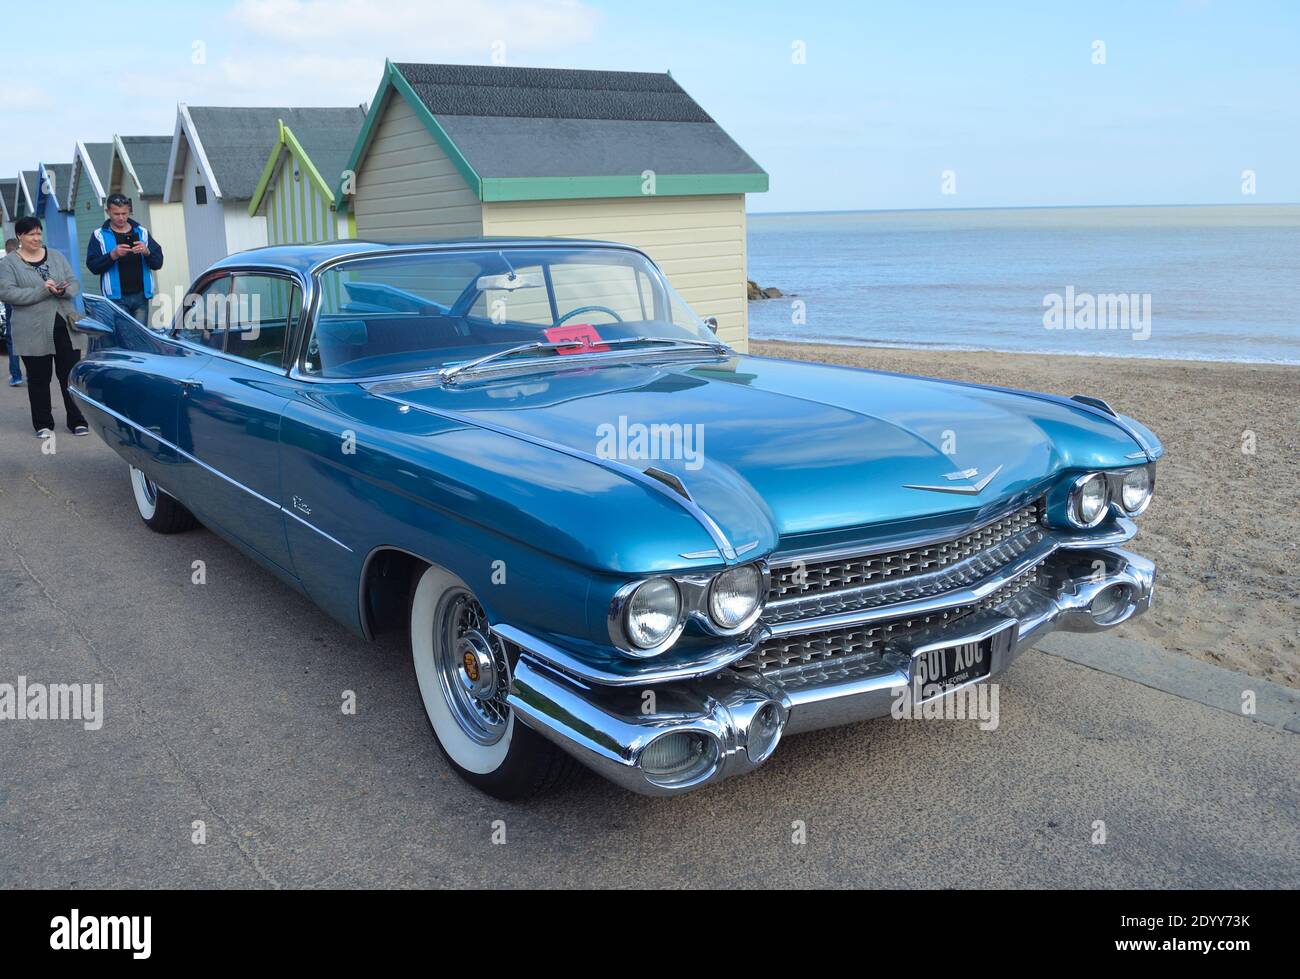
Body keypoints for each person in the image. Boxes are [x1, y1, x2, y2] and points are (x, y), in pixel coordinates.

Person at [0, 217, 89, 438]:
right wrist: (43, 290)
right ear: (20, 236)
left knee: (69, 375)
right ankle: (43, 424)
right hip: (32, 330)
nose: (37, 238)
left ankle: (77, 420)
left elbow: (74, 282)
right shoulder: (8, 264)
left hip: (65, 326)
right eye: (31, 234)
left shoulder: (56, 256)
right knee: (39, 378)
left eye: (39, 233)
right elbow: (8, 293)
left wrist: (63, 289)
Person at [85, 192, 163, 323]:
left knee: (139, 338)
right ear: (108, 212)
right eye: (116, 214)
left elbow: (158, 263)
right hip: (115, 298)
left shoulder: (142, 232)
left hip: (141, 297)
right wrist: (112, 255)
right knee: (124, 337)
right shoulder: (99, 235)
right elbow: (93, 266)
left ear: (129, 211)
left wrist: (146, 251)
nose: (121, 218)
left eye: (124, 213)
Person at [2, 239, 20, 386]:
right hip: (29, 303)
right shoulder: (27, 261)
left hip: (11, 304)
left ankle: (16, 375)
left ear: (6, 249)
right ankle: (35, 374)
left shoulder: (3, 264)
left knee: (12, 340)